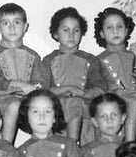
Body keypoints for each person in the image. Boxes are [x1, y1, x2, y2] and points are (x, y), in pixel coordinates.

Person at [0, 2, 50, 143]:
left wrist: (34, 88)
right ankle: (6, 145)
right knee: (14, 104)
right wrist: (20, 85)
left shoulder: (33, 55)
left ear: (25, 26)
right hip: (3, 100)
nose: (12, 27)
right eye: (6, 23)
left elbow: (42, 81)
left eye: (17, 22)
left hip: (28, 100)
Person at [93, 7, 136, 141]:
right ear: (101, 33)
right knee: (134, 103)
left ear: (126, 30)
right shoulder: (98, 59)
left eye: (120, 26)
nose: (115, 31)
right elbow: (98, 84)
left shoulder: (132, 55)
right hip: (115, 95)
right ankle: (130, 143)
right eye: (109, 28)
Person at [42, 7, 106, 141]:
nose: (71, 35)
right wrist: (67, 89)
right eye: (66, 30)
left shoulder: (91, 60)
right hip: (58, 113)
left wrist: (85, 93)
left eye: (76, 30)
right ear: (55, 34)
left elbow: (101, 88)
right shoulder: (48, 61)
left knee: (77, 104)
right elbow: (43, 91)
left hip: (84, 112)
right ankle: (71, 146)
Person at [81, 93, 127, 157]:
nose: (109, 120)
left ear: (122, 118)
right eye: (103, 116)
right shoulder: (87, 151)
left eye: (114, 115)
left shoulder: (128, 150)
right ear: (95, 121)